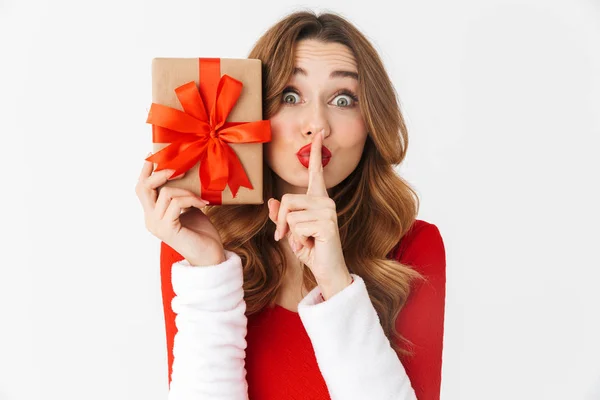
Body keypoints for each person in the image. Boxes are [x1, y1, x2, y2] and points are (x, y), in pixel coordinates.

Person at [135, 10, 446, 400]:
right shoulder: (193, 244)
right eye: (290, 96)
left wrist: (336, 281)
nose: (317, 124)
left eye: (343, 99)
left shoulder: (413, 248)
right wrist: (210, 271)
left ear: (372, 123)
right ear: (251, 111)